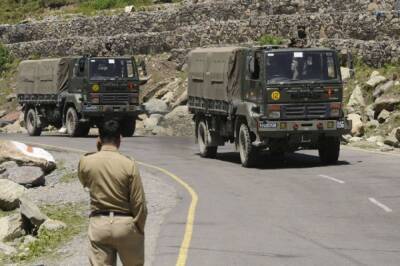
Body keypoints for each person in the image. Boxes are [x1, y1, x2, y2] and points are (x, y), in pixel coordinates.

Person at [78, 120, 147, 266]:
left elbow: (84, 181)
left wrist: (98, 151)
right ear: (119, 139)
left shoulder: (86, 161)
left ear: (99, 139)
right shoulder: (129, 164)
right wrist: (139, 227)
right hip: (125, 225)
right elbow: (138, 201)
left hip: (99, 224)